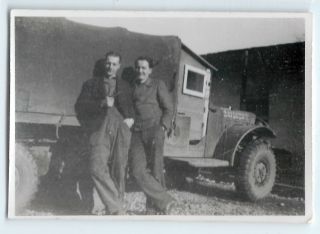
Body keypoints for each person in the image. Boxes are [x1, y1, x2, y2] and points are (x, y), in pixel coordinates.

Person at [75, 52, 134, 215]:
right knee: (96, 167)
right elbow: (79, 107)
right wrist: (102, 103)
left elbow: (133, 107)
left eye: (114, 64)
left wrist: (131, 119)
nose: (111, 67)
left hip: (120, 128)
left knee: (119, 169)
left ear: (119, 66)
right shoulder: (91, 84)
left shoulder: (126, 86)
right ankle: (116, 206)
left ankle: (116, 210)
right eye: (108, 63)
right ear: (104, 64)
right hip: (99, 128)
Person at [129, 56, 178, 215]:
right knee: (137, 171)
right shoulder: (133, 87)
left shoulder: (158, 84)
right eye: (138, 67)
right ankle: (165, 201)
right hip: (137, 133)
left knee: (156, 169)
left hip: (154, 131)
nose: (140, 71)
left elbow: (169, 108)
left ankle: (152, 209)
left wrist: (163, 127)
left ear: (150, 70)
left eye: (144, 68)